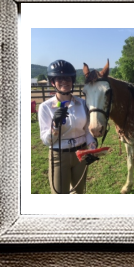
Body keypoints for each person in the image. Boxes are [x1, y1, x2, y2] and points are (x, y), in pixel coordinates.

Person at [38, 59, 97, 194]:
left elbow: (87, 130)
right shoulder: (45, 107)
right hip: (59, 156)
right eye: (60, 78)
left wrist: (92, 146)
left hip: (81, 154)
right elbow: (46, 141)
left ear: (73, 81)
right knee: (60, 196)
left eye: (68, 78)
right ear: (53, 82)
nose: (65, 81)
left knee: (79, 193)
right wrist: (55, 127)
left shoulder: (82, 104)